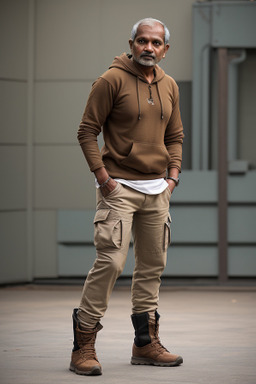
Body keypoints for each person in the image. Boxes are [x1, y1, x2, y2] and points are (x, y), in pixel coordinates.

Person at [70, 17, 184, 376]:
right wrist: (104, 179)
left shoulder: (170, 86)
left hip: (157, 191)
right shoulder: (111, 80)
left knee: (152, 267)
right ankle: (83, 345)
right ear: (132, 43)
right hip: (119, 188)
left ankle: (145, 343)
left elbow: (175, 136)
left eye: (156, 43)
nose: (148, 48)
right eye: (142, 41)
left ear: (165, 49)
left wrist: (172, 178)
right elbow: (87, 131)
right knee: (111, 263)